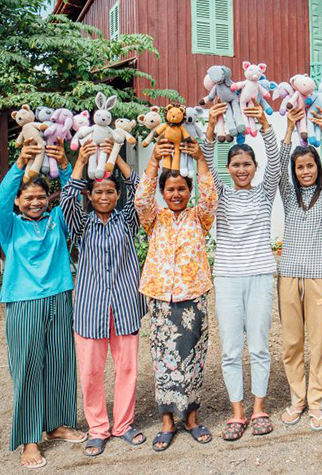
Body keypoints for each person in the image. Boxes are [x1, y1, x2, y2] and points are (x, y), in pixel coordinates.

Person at [0, 138, 85, 468]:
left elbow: (75, 198)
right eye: (28, 197)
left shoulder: (56, 220)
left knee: (60, 362)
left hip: (60, 294)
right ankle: (30, 439)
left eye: (40, 197)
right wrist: (20, 164)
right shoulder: (11, 226)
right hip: (23, 301)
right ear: (18, 201)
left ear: (48, 199)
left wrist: (63, 165)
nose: (35, 202)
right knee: (28, 367)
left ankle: (57, 424)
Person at [60, 139, 146, 456]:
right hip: (90, 308)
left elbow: (142, 188)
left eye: (110, 191)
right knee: (91, 373)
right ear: (90, 196)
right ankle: (98, 428)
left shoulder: (128, 219)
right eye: (98, 192)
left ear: (118, 194)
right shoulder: (81, 224)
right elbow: (68, 197)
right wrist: (82, 161)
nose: (105, 196)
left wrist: (116, 158)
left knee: (127, 369)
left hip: (124, 305)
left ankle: (123, 425)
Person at [202, 100, 280, 441]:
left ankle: (259, 408)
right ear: (229, 167)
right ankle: (237, 412)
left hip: (261, 274)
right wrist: (210, 126)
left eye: (247, 164)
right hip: (228, 277)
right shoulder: (221, 194)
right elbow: (205, 162)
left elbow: (276, 162)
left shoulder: (265, 193)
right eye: (235, 164)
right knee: (232, 349)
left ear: (254, 165)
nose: (241, 169)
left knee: (259, 346)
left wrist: (264, 123)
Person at [134, 137, 217, 451]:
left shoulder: (200, 217)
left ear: (189, 190)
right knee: (164, 361)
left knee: (193, 359)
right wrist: (155, 159)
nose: (177, 194)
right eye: (170, 189)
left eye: (182, 188)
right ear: (163, 193)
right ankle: (168, 422)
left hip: (193, 300)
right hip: (161, 301)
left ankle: (192, 418)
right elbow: (142, 198)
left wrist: (200, 160)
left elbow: (209, 197)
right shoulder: (154, 219)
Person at [276, 107, 322, 432]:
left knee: (316, 342)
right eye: (300, 167)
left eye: (310, 165)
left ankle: (316, 402)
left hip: (316, 277)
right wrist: (288, 130)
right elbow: (276, 169)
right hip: (287, 275)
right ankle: (296, 400)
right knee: (291, 343)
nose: (305, 171)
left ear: (317, 167)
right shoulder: (288, 195)